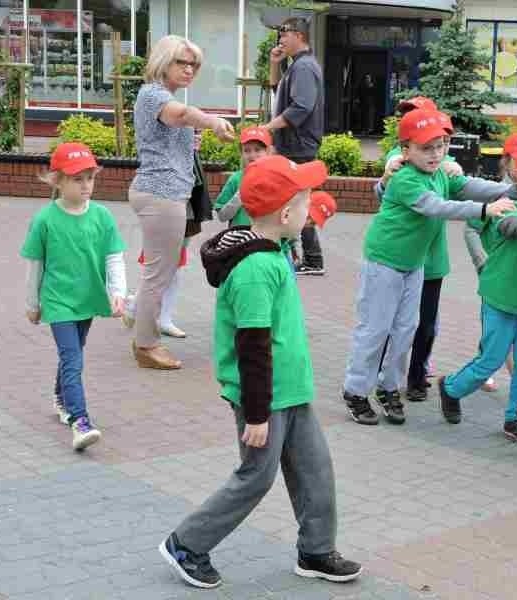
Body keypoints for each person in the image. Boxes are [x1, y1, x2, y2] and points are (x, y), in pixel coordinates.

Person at [158, 155, 361, 589]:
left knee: (315, 469)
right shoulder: (255, 269)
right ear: (286, 214)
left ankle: (317, 550)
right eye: (305, 203)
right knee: (256, 476)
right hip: (264, 398)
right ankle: (187, 543)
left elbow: (289, 215)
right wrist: (256, 414)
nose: (311, 209)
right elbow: (252, 348)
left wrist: (314, 203)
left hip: (291, 390)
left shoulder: (271, 247)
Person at [342, 109, 514, 426]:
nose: (436, 153)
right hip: (384, 262)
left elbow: (470, 185)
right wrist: (487, 209)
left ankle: (389, 387)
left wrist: (512, 191)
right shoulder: (405, 178)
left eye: (441, 145)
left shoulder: (440, 173)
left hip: (413, 264)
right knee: (375, 329)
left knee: (406, 330)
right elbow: (438, 207)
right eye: (426, 148)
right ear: (405, 150)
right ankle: (355, 391)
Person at [439, 142, 517, 435]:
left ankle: (515, 420)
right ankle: (450, 388)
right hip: (500, 300)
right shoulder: (505, 203)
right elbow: (508, 225)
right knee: (489, 362)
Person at [129, 34, 233, 370]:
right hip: (161, 194)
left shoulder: (162, 97)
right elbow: (181, 114)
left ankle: (145, 334)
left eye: (194, 65)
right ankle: (146, 345)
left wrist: (190, 142)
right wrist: (212, 121)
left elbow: (176, 126)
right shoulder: (153, 95)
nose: (189, 70)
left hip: (170, 193)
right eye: (181, 62)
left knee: (162, 271)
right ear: (163, 62)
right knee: (158, 275)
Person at [21, 142, 127, 451]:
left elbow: (114, 257)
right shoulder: (44, 220)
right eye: (77, 179)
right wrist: (32, 304)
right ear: (58, 181)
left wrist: (117, 293)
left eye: (90, 178)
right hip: (57, 301)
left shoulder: (103, 216)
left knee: (74, 352)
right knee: (73, 358)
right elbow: (35, 266)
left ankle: (60, 397)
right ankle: (80, 421)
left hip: (88, 299)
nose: (86, 186)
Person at [375, 98, 463, 404]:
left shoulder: (442, 160)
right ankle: (386, 376)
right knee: (395, 322)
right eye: (406, 115)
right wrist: (386, 178)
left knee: (425, 324)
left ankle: (416, 376)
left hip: (432, 260)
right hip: (401, 258)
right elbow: (386, 194)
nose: (410, 119)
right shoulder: (400, 157)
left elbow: (459, 186)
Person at [462, 132, 517, 392]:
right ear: (506, 163)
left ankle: (499, 372)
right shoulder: (495, 193)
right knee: (495, 327)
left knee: (516, 331)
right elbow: (471, 229)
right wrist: (482, 261)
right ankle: (489, 370)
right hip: (496, 273)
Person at [266, 17, 326, 276]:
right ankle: (307, 257)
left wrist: (269, 128)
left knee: (298, 201)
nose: (281, 39)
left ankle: (312, 259)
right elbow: (276, 90)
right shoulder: (296, 66)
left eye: (285, 33)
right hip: (294, 144)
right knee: (295, 200)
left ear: (299, 35)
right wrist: (274, 64)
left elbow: (301, 107)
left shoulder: (303, 67)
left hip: (298, 146)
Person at [213, 126, 274, 226]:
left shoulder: (276, 179)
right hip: (239, 237)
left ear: (268, 152)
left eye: (257, 150)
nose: (252, 155)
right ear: (241, 153)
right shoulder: (235, 179)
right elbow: (222, 216)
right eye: (247, 150)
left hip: (266, 238)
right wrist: (240, 195)